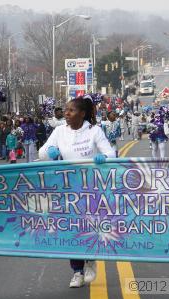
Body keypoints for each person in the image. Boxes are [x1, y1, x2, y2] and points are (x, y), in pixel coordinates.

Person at [39, 95, 116, 288]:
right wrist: (50, 152)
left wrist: (103, 158)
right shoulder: (59, 131)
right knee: (72, 229)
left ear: (82, 114)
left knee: (88, 227)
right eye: (65, 110)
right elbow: (42, 152)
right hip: (68, 187)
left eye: (71, 111)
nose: (66, 113)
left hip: (91, 187)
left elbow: (111, 152)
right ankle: (77, 271)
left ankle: (90, 260)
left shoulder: (94, 131)